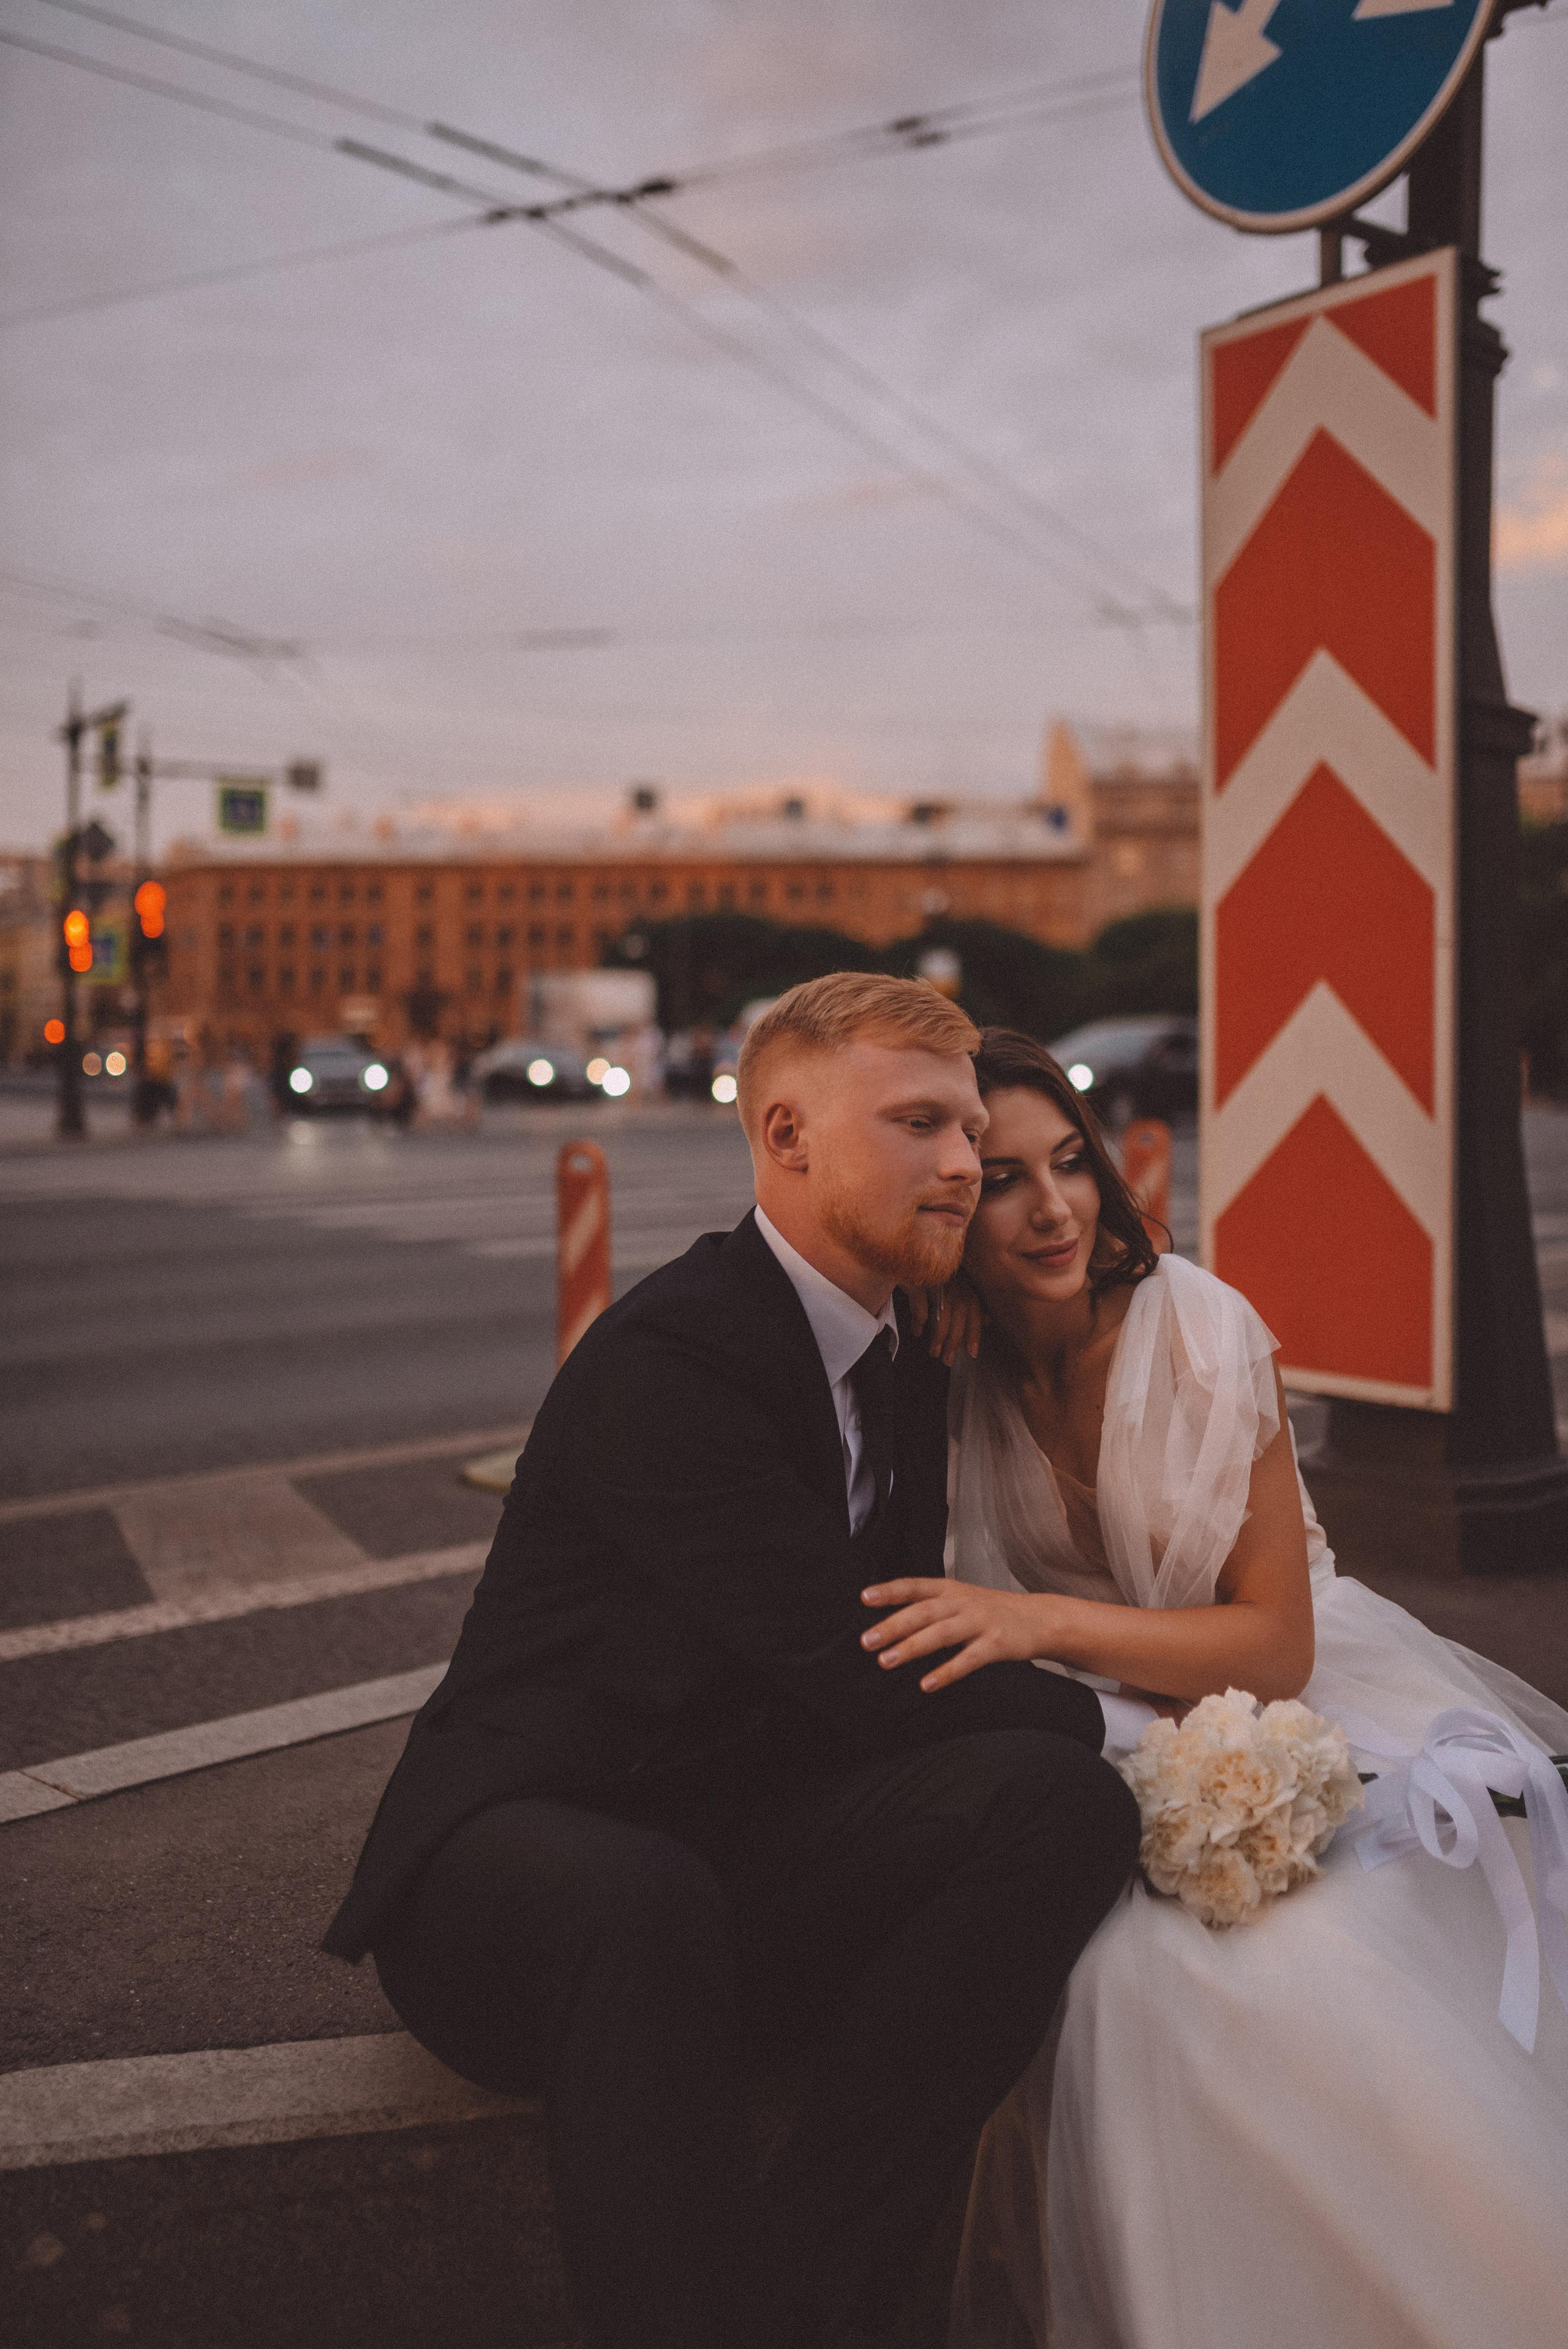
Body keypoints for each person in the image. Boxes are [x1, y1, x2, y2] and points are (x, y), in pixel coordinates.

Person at [322, 975, 1140, 2349]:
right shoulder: (675, 1356)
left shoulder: (909, 1335)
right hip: (521, 1874)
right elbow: (862, 1664)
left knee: (1059, 1808)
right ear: (786, 1135)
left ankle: (815, 2298)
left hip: (736, 1846)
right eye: (919, 1126)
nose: (959, 1166)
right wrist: (1133, 1716)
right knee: (639, 1901)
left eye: (967, 1136)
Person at [867, 1029, 1568, 2349]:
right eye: (1001, 1180)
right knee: (1116, 1985)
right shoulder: (950, 1371)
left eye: (1069, 1163)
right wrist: (923, 1326)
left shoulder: (1195, 1326)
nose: (1054, 1207)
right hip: (1102, 1740)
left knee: (1311, 1978)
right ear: (948, 1206)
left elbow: (1271, 1648)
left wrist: (1034, 1621)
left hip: (1304, 1706)